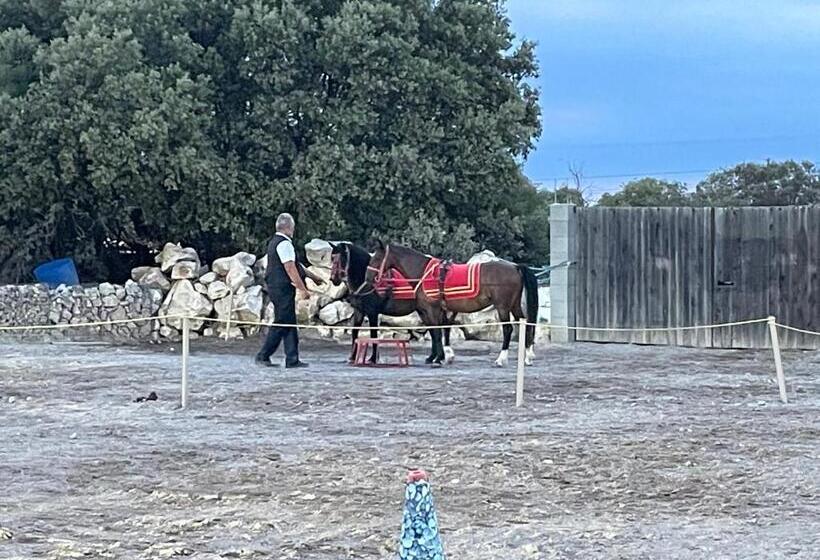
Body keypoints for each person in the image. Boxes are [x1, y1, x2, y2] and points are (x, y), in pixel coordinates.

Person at [255, 213, 322, 368]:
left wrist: (313, 276)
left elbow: (297, 265)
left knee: (289, 322)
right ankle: (263, 355)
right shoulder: (285, 244)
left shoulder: (275, 242)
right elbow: (290, 268)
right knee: (282, 322)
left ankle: (292, 358)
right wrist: (303, 289)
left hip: (277, 287)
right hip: (282, 288)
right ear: (289, 227)